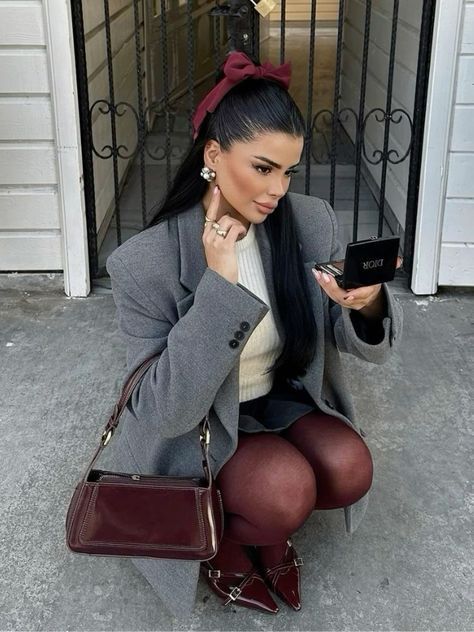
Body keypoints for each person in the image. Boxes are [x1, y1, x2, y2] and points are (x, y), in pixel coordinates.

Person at [105, 50, 403, 618]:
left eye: (288, 171)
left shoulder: (311, 223)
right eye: (262, 168)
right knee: (283, 492)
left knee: (349, 469)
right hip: (198, 424)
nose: (277, 190)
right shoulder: (144, 263)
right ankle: (231, 545)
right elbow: (163, 411)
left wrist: (365, 304)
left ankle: (265, 521)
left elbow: (348, 333)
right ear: (213, 155)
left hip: (281, 396)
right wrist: (218, 288)